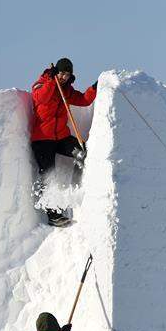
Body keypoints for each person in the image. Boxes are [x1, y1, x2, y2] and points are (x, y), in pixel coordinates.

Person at [31, 58, 97, 226]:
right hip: (42, 140)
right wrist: (52, 82)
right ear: (56, 72)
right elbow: (41, 98)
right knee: (48, 175)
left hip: (61, 137)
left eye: (67, 74)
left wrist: (94, 88)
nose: (64, 77)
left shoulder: (67, 90)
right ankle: (53, 216)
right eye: (61, 73)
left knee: (82, 152)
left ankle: (75, 185)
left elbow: (83, 100)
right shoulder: (41, 84)